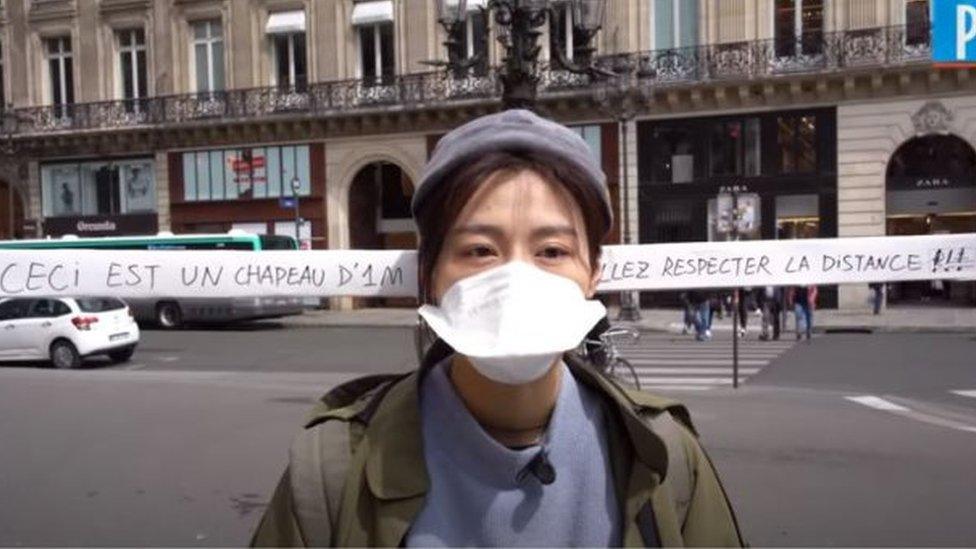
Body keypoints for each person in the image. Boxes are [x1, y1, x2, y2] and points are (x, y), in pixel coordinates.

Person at [250, 110, 743, 547]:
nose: (515, 279)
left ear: (593, 273)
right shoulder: (331, 468)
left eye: (552, 251)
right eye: (479, 250)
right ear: (431, 276)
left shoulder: (663, 459)